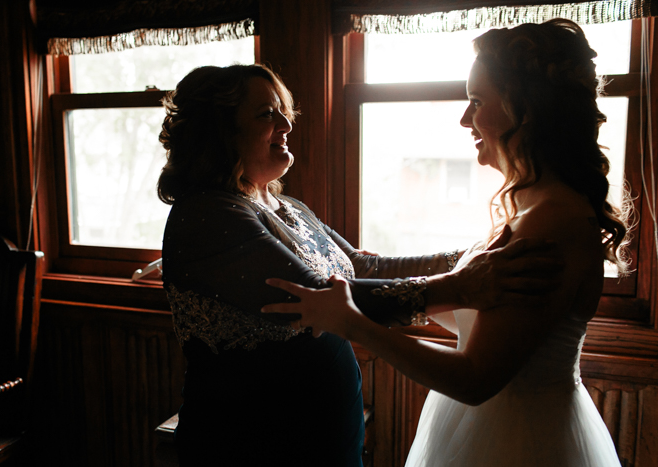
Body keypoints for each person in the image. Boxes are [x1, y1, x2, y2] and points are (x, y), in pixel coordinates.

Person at [263, 19, 628, 467]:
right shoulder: (532, 205)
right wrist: (394, 290)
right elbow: (484, 322)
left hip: (521, 439)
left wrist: (356, 324)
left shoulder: (554, 220)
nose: (464, 118)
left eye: (477, 101)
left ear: (524, 109)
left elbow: (476, 378)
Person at [158, 63, 560, 467]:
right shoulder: (207, 216)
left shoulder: (287, 206)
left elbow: (361, 267)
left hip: (325, 427)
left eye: (284, 111)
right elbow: (317, 297)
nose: (286, 123)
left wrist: (470, 256)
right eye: (267, 113)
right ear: (220, 131)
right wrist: (460, 287)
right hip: (255, 435)